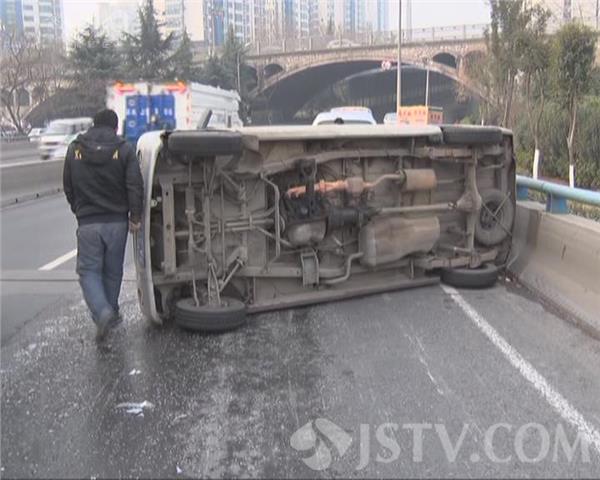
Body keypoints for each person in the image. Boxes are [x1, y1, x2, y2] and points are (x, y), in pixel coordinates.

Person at [63, 109, 143, 341]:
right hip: (117, 221)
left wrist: (78, 209)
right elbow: (134, 185)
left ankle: (102, 312)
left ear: (93, 124)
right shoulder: (124, 149)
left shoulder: (75, 149)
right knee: (112, 270)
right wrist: (135, 216)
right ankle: (110, 311)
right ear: (115, 127)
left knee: (88, 270)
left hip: (88, 221)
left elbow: (68, 185)